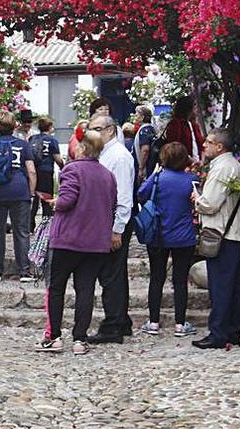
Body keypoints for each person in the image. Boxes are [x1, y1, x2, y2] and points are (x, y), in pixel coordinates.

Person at [36, 129, 118, 356]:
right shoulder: (107, 175)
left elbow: (68, 200)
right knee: (85, 290)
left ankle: (54, 337)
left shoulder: (72, 169)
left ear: (82, 148)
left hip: (67, 240)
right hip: (95, 243)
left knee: (56, 288)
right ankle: (80, 339)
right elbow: (111, 205)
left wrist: (55, 202)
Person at [192, 128, 240, 349]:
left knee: (221, 285)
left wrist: (197, 198)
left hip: (223, 233)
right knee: (232, 285)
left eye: (208, 142)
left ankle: (218, 333)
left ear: (219, 147)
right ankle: (233, 330)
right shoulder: (235, 165)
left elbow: (210, 203)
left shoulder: (223, 168)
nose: (204, 145)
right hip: (234, 232)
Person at [137, 142, 199, 337]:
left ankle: (154, 322)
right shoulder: (191, 179)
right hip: (184, 237)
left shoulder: (157, 178)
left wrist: (155, 173)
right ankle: (180, 324)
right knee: (180, 280)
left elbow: (140, 195)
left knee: (156, 278)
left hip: (158, 235)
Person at [86, 114, 136, 343]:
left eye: (96, 128)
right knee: (114, 274)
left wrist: (117, 229)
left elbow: (124, 197)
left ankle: (113, 324)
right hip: (105, 221)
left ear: (110, 130)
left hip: (113, 223)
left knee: (111, 275)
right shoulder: (106, 154)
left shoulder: (119, 157)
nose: (92, 133)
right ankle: (120, 320)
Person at [0, 111, 36, 283]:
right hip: (19, 190)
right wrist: (31, 192)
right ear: (15, 126)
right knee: (21, 232)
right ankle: (24, 271)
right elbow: (32, 171)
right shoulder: (23, 145)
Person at [28, 117, 65, 229]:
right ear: (49, 127)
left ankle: (30, 224)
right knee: (46, 199)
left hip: (34, 170)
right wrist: (64, 167)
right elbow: (57, 158)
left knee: (34, 198)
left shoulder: (32, 138)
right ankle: (46, 225)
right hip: (46, 171)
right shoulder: (52, 141)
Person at [164, 95, 204, 161]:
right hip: (182, 164)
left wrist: (201, 160)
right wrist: (188, 160)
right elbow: (174, 147)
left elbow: (200, 144)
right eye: (195, 107)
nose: (197, 109)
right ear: (188, 109)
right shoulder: (175, 124)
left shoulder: (194, 125)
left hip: (196, 163)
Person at [131, 105, 159, 180]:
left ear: (142, 117)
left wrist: (141, 168)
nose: (135, 117)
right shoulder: (151, 129)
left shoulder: (144, 131)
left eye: (136, 115)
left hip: (145, 169)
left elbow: (145, 150)